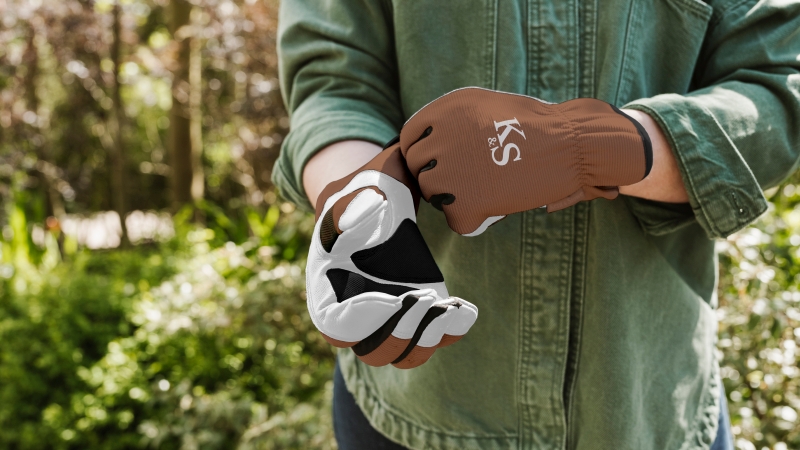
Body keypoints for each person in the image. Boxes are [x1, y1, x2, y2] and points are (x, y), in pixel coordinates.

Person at [272, 1, 800, 449]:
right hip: (414, 412)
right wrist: (361, 199)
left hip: (651, 404)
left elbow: (777, 86)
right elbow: (334, 80)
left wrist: (602, 145)